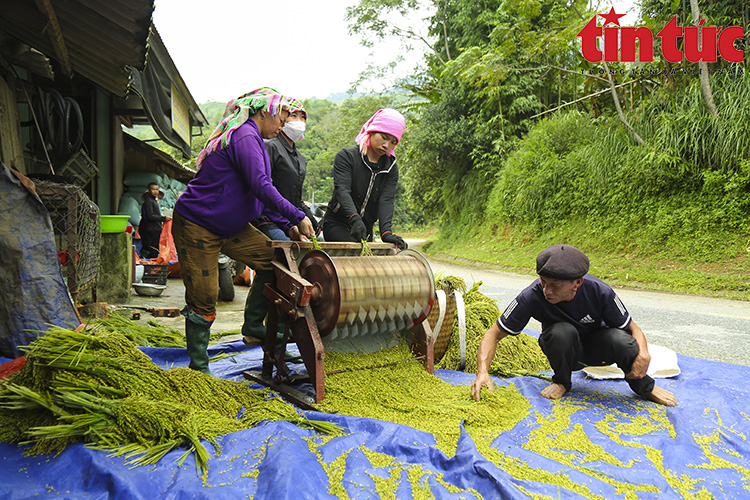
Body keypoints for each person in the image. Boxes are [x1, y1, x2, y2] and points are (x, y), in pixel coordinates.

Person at [171, 88, 315, 374]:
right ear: (266, 112)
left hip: (231, 226)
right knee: (204, 298)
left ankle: (253, 326)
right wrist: (297, 216)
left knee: (275, 262)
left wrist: (287, 224)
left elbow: (260, 192)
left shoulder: (256, 139)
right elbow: (262, 185)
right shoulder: (245, 135)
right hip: (198, 224)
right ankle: (199, 368)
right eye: (284, 115)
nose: (285, 122)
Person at [470, 244, 677, 407]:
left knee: (623, 340)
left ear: (577, 282)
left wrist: (644, 354)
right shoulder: (531, 296)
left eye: (555, 286)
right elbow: (493, 334)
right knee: (561, 332)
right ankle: (561, 382)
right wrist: (482, 373)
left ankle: (644, 387)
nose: (547, 291)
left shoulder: (600, 291)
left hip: (600, 351)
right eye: (543, 282)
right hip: (565, 354)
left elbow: (633, 328)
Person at [322, 108, 408, 250]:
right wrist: (354, 218)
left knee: (368, 260)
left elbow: (386, 200)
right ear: (372, 131)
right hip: (338, 223)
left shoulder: (391, 168)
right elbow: (342, 191)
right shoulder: (346, 157)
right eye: (384, 137)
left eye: (393, 142)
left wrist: (386, 233)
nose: (387, 145)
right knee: (355, 252)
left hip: (365, 227)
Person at [250, 97, 318, 241]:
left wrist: (312, 221)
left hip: (290, 219)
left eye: (302, 117)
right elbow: (263, 188)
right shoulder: (270, 146)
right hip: (267, 218)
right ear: (282, 119)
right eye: (293, 116)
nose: (299, 121)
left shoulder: (299, 158)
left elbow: (296, 198)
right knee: (289, 254)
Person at [139, 182, 171, 259]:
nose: (155, 191)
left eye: (156, 189)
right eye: (153, 189)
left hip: (154, 228)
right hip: (150, 229)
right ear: (149, 191)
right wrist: (163, 218)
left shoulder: (153, 201)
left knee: (154, 249)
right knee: (152, 250)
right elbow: (150, 216)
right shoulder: (149, 201)